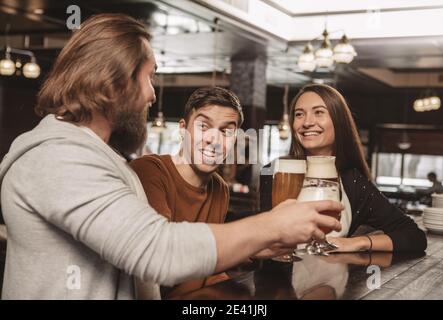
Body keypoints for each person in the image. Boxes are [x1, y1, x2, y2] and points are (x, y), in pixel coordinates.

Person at [0, 14, 343, 299]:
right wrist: (272, 226)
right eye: (149, 77)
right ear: (114, 83)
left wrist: (257, 243)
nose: (152, 94)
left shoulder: (99, 157)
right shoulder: (58, 157)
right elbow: (158, 252)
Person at [261, 84, 426, 253]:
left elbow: (415, 236)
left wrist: (359, 243)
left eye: (319, 112)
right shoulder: (274, 171)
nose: (307, 122)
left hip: (333, 276)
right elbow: (262, 236)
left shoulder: (353, 181)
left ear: (338, 121)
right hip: (278, 275)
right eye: (299, 114)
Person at [130, 87, 243, 298]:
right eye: (203, 126)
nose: (214, 140)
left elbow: (208, 265)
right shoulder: (150, 171)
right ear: (182, 130)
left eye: (226, 131)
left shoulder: (219, 188)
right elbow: (162, 258)